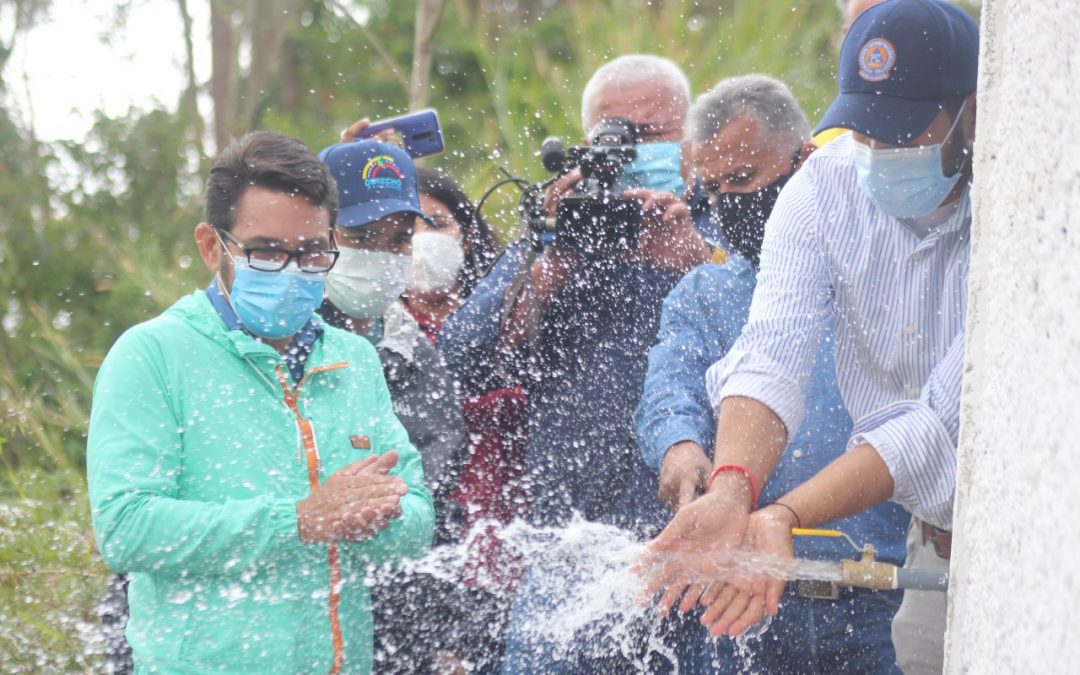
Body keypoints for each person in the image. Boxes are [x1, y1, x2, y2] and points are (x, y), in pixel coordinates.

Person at [646, 4, 977, 675]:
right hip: (925, 531)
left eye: (906, 132)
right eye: (866, 130)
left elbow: (941, 424)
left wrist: (787, 513)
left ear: (972, 111)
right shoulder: (824, 187)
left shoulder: (1029, 205)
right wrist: (735, 489)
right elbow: (771, 353)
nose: (882, 154)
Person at [86, 130, 434, 674]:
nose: (293, 271)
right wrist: (297, 520)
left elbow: (417, 517)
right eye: (267, 251)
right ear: (211, 246)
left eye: (314, 253)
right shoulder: (153, 355)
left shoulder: (353, 359)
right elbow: (127, 529)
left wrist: (376, 517)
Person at [439, 54, 712, 673]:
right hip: (571, 553)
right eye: (614, 136)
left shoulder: (723, 225)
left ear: (688, 139)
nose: (632, 149)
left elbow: (775, 340)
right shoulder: (563, 232)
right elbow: (460, 362)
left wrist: (696, 259)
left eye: (651, 134)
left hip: (697, 554)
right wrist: (550, 259)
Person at [635, 74, 909, 673]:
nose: (728, 203)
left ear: (805, 160)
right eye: (712, 189)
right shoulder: (703, 292)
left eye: (743, 180)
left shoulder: (881, 272)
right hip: (745, 597)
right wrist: (678, 447)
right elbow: (670, 383)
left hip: (880, 593)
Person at [317, 138, 512, 674]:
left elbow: (429, 509)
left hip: (385, 637)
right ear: (316, 234)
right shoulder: (277, 340)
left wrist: (446, 636)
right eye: (360, 236)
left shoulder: (416, 355)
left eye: (399, 237)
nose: (383, 254)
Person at [404, 167, 501, 341]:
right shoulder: (379, 326)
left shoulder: (497, 312)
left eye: (438, 225)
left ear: (467, 238)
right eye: (408, 230)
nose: (422, 238)